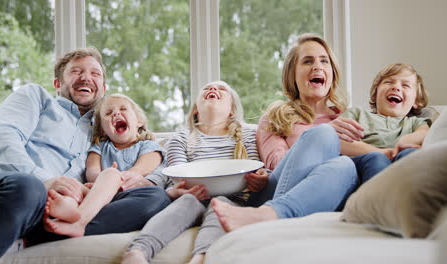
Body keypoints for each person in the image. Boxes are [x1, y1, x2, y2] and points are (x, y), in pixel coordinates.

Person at [0, 47, 170, 264]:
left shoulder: (103, 130)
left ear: (103, 89)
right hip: (12, 189)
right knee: (29, 186)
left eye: (95, 73)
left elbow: (138, 157)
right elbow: (2, 141)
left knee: (154, 198)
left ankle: (40, 234)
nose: (86, 77)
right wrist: (46, 181)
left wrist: (93, 190)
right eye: (76, 71)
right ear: (58, 84)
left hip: (63, 209)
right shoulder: (37, 97)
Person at [212, 33, 360, 232]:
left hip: (325, 197)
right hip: (277, 190)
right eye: (308, 61)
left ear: (332, 72)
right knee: (324, 135)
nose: (317, 66)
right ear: (292, 74)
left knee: (345, 166)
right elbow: (278, 165)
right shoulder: (277, 116)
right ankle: (271, 214)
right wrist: (322, 134)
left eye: (324, 61)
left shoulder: (347, 119)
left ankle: (273, 216)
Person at [121, 80, 268, 264]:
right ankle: (137, 252)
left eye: (222, 89)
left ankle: (201, 258)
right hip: (193, 196)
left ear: (231, 110)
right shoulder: (181, 138)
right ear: (196, 109)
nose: (213, 89)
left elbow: (256, 168)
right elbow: (177, 176)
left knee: (220, 203)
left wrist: (261, 179)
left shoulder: (247, 135)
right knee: (187, 201)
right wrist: (178, 190)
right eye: (206, 88)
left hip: (235, 200)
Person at [43, 93, 171, 237]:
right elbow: (92, 171)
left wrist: (116, 179)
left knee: (154, 194)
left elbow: (144, 166)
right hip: (97, 194)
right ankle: (67, 210)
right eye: (108, 113)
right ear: (103, 129)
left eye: (123, 109)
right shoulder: (99, 147)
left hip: (127, 195)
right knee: (77, 188)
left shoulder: (148, 145)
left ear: (139, 121)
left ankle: (79, 220)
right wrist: (102, 182)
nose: (116, 113)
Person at [340, 63, 430, 184]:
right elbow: (340, 141)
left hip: (400, 161)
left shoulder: (415, 122)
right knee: (377, 159)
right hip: (364, 162)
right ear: (375, 93)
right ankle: (376, 202)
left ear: (416, 101)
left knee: (411, 154)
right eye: (389, 82)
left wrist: (406, 141)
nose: (396, 87)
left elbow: (425, 133)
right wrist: (382, 152)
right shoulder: (357, 113)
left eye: (405, 85)